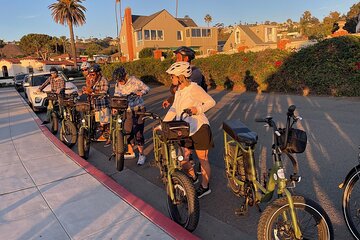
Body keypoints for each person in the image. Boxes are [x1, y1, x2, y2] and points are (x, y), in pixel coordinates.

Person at [163, 61, 216, 198]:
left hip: (199, 128)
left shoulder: (194, 88)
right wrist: (163, 124)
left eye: (172, 76)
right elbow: (174, 108)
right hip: (184, 129)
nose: (171, 78)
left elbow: (211, 102)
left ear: (180, 76)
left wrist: (197, 109)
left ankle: (205, 187)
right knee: (183, 159)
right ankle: (192, 178)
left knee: (202, 159)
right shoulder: (179, 90)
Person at [112, 66, 150, 165]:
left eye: (120, 80)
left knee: (138, 132)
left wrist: (141, 92)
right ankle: (131, 151)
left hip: (138, 109)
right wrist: (115, 107)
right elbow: (117, 96)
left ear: (124, 76)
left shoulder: (134, 80)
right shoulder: (117, 84)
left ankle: (142, 154)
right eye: (118, 80)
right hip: (127, 110)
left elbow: (147, 88)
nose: (119, 82)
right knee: (128, 131)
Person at [86, 64, 110, 141]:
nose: (91, 76)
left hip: (103, 103)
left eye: (93, 74)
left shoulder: (103, 80)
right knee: (99, 121)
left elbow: (104, 92)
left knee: (105, 121)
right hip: (95, 104)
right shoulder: (92, 80)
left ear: (98, 73)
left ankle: (107, 137)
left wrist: (92, 91)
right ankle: (103, 135)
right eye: (90, 74)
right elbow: (89, 90)